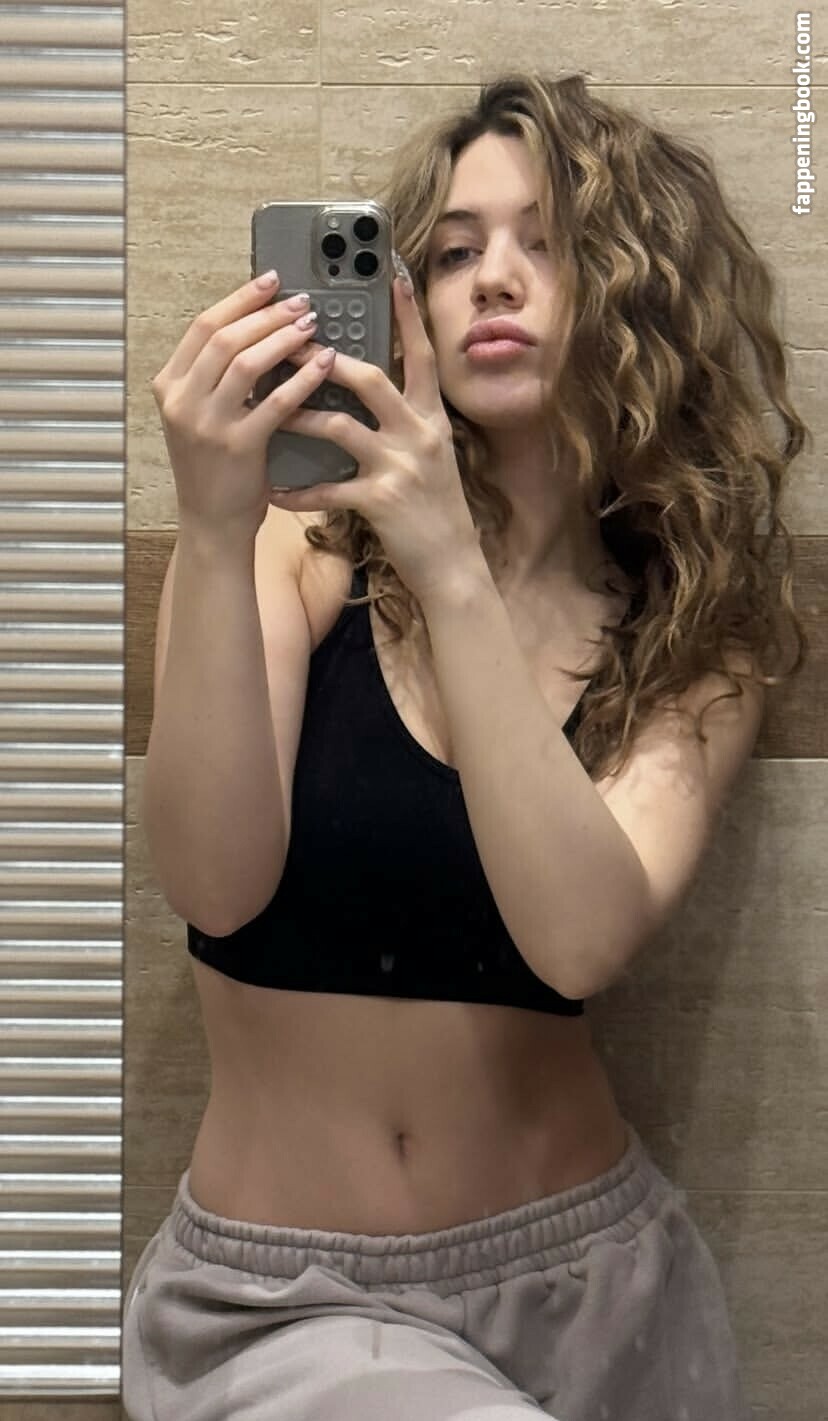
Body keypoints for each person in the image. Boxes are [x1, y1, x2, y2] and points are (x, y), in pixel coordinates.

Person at [122, 71, 806, 1421]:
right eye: (451, 251)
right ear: (408, 305)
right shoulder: (299, 555)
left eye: (548, 242)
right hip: (285, 1307)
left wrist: (451, 563)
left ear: (634, 294)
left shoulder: (690, 635)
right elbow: (211, 883)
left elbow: (578, 941)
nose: (493, 276)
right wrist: (209, 525)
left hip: (598, 1300)